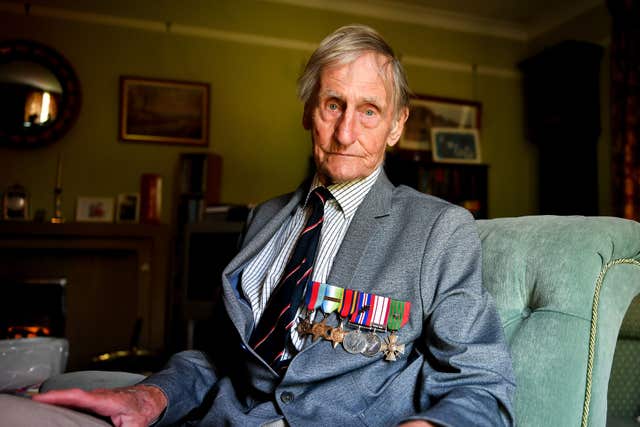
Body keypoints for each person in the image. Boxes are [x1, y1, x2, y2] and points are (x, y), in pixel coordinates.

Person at [6, 24, 515, 426]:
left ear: (396, 126)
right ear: (308, 110)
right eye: (333, 105)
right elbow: (218, 357)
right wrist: (151, 394)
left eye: (369, 111)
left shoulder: (437, 229)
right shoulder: (264, 218)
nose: (345, 132)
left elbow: (481, 384)